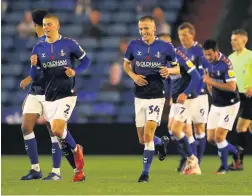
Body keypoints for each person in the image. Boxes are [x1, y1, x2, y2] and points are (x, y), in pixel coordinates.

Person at [30, 13, 91, 181]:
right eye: (44, 24)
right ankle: (78, 171)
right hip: (49, 96)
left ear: (57, 26)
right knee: (60, 136)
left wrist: (75, 71)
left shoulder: (69, 44)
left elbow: (87, 61)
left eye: (49, 24)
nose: (46, 27)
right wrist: (34, 66)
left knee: (57, 129)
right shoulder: (38, 47)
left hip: (67, 94)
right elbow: (34, 75)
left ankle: (76, 148)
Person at [123, 15, 180, 182]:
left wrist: (169, 71)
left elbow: (177, 69)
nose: (143, 32)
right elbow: (126, 65)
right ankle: (161, 143)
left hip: (156, 95)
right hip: (139, 96)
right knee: (143, 139)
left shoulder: (166, 47)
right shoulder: (133, 45)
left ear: (154, 29)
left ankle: (145, 174)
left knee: (147, 135)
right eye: (141, 28)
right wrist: (133, 76)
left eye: (146, 28)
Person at [20, 9, 62, 181]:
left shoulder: (53, 42)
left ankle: (56, 172)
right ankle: (35, 169)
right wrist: (31, 78)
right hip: (36, 91)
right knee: (26, 127)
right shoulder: (39, 43)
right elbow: (40, 69)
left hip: (50, 92)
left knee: (54, 131)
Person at [158, 33, 202, 175]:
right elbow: (172, 80)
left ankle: (191, 159)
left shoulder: (180, 56)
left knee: (176, 129)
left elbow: (196, 77)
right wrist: (171, 95)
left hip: (188, 98)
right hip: (177, 98)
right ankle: (193, 164)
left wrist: (186, 93)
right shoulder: (163, 60)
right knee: (177, 130)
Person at [202, 39, 241, 174]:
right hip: (216, 103)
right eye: (206, 55)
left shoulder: (226, 64)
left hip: (230, 104)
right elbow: (207, 79)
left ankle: (223, 167)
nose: (208, 57)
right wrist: (211, 90)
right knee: (211, 139)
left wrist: (211, 81)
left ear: (216, 52)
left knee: (219, 137)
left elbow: (232, 87)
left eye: (210, 55)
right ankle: (236, 151)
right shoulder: (206, 61)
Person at [176, 22, 209, 168]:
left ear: (192, 34)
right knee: (185, 128)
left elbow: (202, 75)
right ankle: (192, 160)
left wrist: (195, 92)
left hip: (199, 95)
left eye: (185, 35)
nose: (182, 38)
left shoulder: (199, 51)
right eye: (180, 35)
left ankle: (198, 162)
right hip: (186, 96)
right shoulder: (179, 51)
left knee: (199, 129)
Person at [228, 29, 252, 170]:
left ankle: (238, 162)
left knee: (240, 127)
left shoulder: (250, 56)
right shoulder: (231, 58)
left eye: (236, 39)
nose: (233, 42)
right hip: (239, 96)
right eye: (232, 39)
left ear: (244, 40)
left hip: (250, 96)